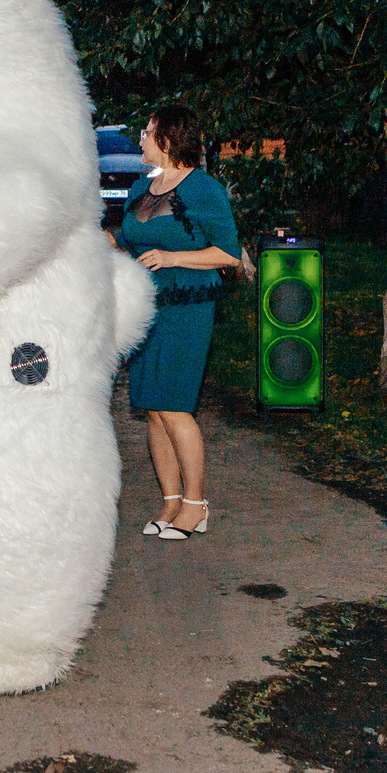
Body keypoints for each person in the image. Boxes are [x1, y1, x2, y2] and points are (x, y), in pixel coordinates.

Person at [113, 103, 244, 541]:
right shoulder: (140, 187)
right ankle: (170, 502)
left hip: (187, 308)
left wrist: (173, 257)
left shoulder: (204, 189)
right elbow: (128, 241)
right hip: (145, 308)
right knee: (153, 408)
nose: (141, 141)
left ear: (168, 139)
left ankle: (195, 505)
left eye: (147, 133)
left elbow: (227, 254)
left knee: (175, 406)